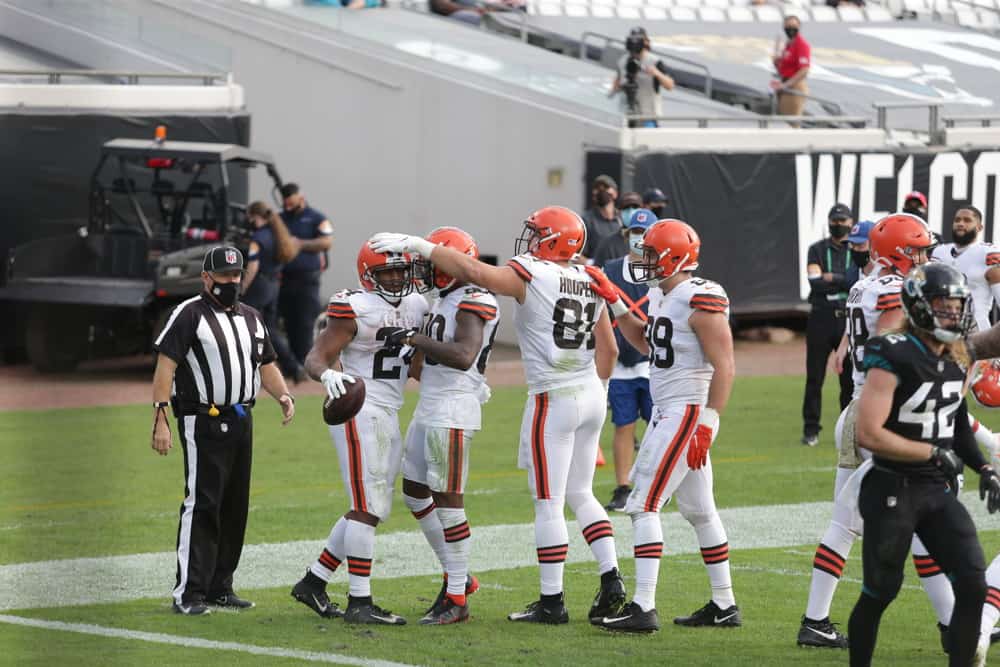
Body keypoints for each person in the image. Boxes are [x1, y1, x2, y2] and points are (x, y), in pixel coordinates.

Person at [370, 206, 627, 626]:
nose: (527, 241)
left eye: (536, 233)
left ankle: (551, 601)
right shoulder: (589, 277)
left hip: (549, 397)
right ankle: (610, 575)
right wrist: (594, 399)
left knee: (549, 503)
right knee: (581, 493)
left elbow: (482, 278)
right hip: (589, 392)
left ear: (551, 239)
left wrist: (423, 247)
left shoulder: (521, 278)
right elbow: (611, 351)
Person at [798, 213, 957, 649]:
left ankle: (815, 620)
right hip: (881, 413)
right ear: (899, 252)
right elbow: (892, 352)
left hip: (859, 406)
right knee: (921, 518)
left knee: (847, 523)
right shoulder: (890, 289)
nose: (925, 257)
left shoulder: (865, 284)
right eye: (919, 249)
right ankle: (952, 624)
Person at [587, 218, 740, 633]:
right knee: (699, 511)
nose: (645, 260)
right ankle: (724, 604)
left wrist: (709, 420)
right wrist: (615, 301)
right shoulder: (661, 294)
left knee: (642, 504)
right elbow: (647, 343)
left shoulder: (701, 296)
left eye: (653, 254)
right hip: (669, 409)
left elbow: (725, 364)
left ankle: (643, 607)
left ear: (675, 256)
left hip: (687, 411)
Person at [847, 262, 1000, 666]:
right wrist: (929, 452)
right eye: (943, 305)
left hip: (935, 489)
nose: (953, 313)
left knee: (972, 585)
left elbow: (955, 421)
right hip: (891, 487)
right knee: (881, 592)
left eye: (957, 305)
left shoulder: (957, 354)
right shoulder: (890, 352)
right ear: (918, 307)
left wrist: (983, 467)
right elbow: (869, 433)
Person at [151, 246, 296, 615]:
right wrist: (161, 417)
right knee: (202, 503)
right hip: (202, 418)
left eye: (236, 275)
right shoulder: (188, 314)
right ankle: (189, 593)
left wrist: (282, 394)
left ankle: (220, 585)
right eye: (224, 276)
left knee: (235, 505)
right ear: (206, 278)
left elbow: (265, 363)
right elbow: (166, 366)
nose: (232, 282)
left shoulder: (252, 317)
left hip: (242, 417)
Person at [289, 239, 427, 626]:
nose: (398, 278)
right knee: (368, 507)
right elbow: (315, 357)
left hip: (390, 409)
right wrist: (327, 373)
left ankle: (313, 582)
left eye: (402, 270)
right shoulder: (354, 306)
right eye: (389, 272)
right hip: (359, 406)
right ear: (369, 276)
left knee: (371, 506)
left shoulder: (418, 304)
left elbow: (416, 366)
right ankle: (360, 602)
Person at [397, 227, 500, 625]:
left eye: (435, 261)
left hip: (453, 410)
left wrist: (414, 339)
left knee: (449, 501)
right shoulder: (443, 299)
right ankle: (459, 576)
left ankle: (456, 597)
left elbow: (462, 355)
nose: (428, 269)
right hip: (431, 406)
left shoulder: (475, 297)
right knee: (413, 492)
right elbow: (426, 366)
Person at [599, 209, 655, 512]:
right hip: (621, 365)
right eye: (636, 232)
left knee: (658, 424)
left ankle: (655, 483)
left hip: (653, 365)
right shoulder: (611, 269)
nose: (640, 239)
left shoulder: (662, 273)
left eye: (646, 234)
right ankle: (623, 486)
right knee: (623, 425)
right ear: (626, 235)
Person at [801, 203, 855, 447]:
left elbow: (855, 282)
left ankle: (847, 428)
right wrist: (842, 281)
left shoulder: (855, 250)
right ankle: (811, 429)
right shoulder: (816, 249)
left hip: (846, 318)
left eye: (843, 220)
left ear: (851, 222)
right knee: (815, 376)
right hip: (821, 317)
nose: (839, 224)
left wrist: (834, 278)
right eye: (835, 220)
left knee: (849, 378)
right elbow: (815, 282)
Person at [241, 201, 305, 383]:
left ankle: (251, 371)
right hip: (273, 286)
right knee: (270, 330)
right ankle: (294, 366)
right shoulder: (278, 234)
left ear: (255, 217)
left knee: (247, 327)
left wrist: (243, 286)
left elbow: (253, 266)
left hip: (259, 286)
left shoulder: (258, 238)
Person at [278, 183, 334, 368]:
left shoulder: (316, 218)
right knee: (288, 322)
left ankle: (307, 364)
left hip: (307, 279)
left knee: (304, 322)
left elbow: (326, 242)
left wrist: (300, 244)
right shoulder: (281, 218)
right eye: (285, 201)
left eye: (290, 200)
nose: (287, 205)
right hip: (284, 279)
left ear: (300, 197)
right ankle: (293, 367)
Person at [611, 27, 674, 128]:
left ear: (645, 43)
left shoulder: (654, 62)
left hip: (648, 117)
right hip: (627, 116)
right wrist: (623, 83)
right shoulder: (623, 61)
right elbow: (614, 88)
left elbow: (670, 85)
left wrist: (656, 73)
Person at [771, 15, 811, 125]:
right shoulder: (789, 45)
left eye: (793, 26)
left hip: (794, 87)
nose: (790, 29)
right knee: (783, 120)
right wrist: (776, 59)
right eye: (788, 26)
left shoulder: (801, 45)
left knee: (791, 123)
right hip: (785, 86)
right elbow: (782, 68)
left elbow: (804, 70)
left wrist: (786, 84)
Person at [591, 192, 643, 267]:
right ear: (618, 212)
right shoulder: (607, 244)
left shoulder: (651, 241)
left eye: (635, 207)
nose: (631, 211)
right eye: (626, 208)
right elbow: (599, 273)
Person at [581, 175, 621, 261]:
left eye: (606, 187)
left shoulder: (623, 219)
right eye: (597, 188)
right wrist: (591, 264)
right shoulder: (586, 221)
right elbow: (578, 254)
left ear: (615, 193)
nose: (601, 191)